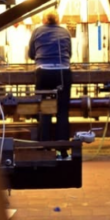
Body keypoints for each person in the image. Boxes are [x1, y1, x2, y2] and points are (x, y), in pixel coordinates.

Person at [27, 10, 72, 148]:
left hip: (44, 73)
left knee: (44, 109)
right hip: (63, 72)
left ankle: (45, 146)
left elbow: (31, 54)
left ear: (43, 20)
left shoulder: (37, 31)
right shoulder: (65, 32)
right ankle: (62, 147)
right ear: (58, 20)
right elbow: (69, 53)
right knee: (62, 110)